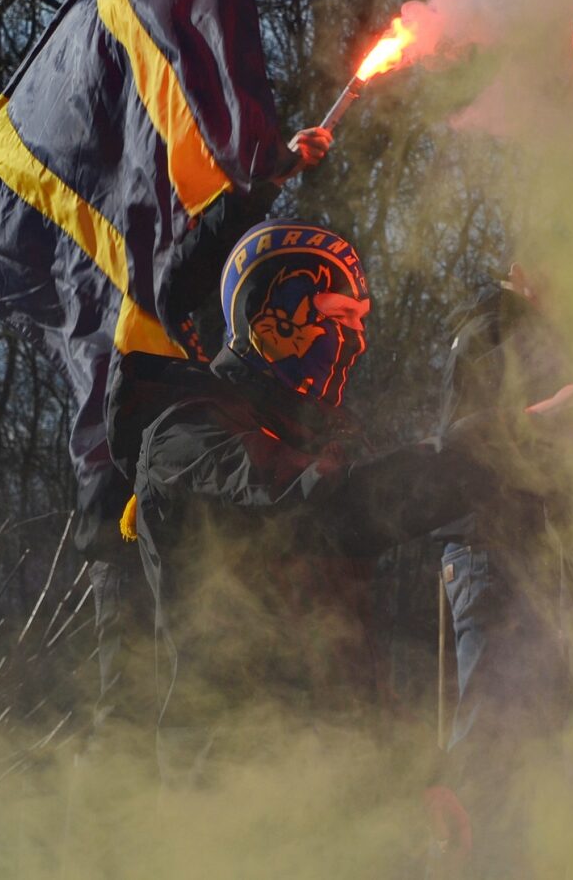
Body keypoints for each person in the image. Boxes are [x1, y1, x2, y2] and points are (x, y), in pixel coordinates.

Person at [106, 222, 573, 802]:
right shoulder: (188, 437)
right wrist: (515, 436)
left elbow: (344, 663)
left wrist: (419, 787)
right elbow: (331, 512)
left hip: (329, 793)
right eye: (340, 317)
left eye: (361, 322)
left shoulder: (301, 448)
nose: (358, 342)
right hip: (234, 792)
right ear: (266, 315)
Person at [79, 126, 333, 721]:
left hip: (171, 526)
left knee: (189, 700)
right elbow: (195, 261)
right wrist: (271, 180)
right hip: (123, 522)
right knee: (127, 712)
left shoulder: (177, 329)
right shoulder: (141, 294)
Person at [434, 264, 573, 879]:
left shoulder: (531, 330)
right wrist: (549, 413)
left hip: (522, 555)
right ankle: (465, 861)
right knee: (493, 731)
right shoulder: (491, 327)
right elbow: (458, 444)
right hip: (489, 553)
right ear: (526, 269)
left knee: (534, 727)